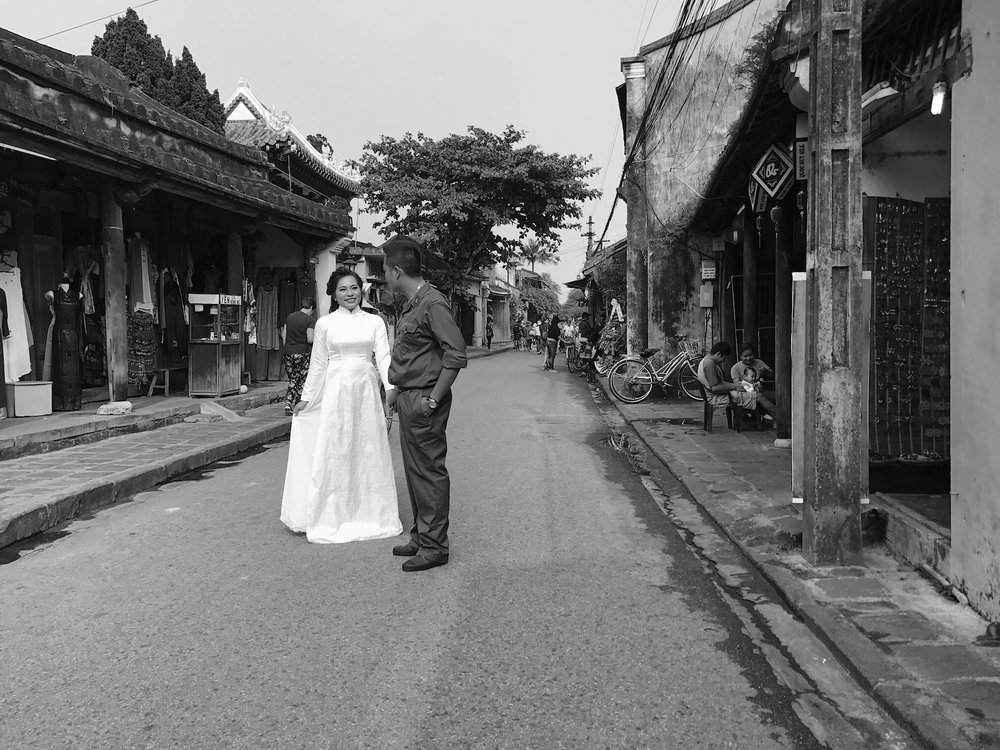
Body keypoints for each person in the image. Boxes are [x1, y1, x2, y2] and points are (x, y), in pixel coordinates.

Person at [279, 269, 402, 544]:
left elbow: (382, 356)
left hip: (365, 390)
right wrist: (306, 398)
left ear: (362, 290)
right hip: (335, 390)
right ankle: (331, 514)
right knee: (336, 449)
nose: (350, 294)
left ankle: (374, 514)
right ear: (334, 294)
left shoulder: (374, 322)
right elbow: (318, 365)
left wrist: (391, 388)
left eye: (354, 288)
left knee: (367, 447)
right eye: (343, 289)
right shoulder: (325, 324)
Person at [383, 236, 468, 572]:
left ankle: (435, 547)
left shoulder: (433, 303)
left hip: (424, 398)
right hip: (408, 395)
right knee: (414, 471)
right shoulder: (411, 303)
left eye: (386, 270)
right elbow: (412, 354)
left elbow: (456, 354)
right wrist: (396, 389)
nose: (385, 276)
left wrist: (433, 398)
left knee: (429, 472)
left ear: (396, 271)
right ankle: (422, 535)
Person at [697, 341, 775, 417]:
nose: (723, 361)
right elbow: (715, 387)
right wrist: (735, 386)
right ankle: (780, 415)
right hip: (717, 398)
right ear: (718, 354)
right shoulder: (709, 363)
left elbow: (717, 384)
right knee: (757, 396)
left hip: (718, 394)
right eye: (724, 359)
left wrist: (735, 385)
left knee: (755, 393)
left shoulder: (706, 361)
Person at [280, 296, 316, 416]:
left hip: (288, 352)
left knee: (293, 378)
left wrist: (287, 347)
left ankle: (294, 402)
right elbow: (310, 339)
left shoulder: (290, 317)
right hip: (302, 352)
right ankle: (292, 402)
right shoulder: (310, 320)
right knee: (301, 379)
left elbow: (284, 335)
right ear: (311, 308)